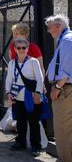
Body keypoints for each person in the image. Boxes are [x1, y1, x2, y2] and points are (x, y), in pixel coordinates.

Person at [5, 38, 44, 156]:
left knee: (33, 122)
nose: (21, 50)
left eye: (24, 48)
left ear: (27, 49)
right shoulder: (12, 63)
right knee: (20, 122)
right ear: (15, 49)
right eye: (18, 48)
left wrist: (38, 93)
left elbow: (40, 78)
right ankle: (20, 142)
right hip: (17, 97)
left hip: (30, 96)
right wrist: (8, 92)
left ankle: (36, 146)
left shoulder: (33, 61)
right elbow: (9, 79)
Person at [45, 14, 72, 162]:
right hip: (65, 88)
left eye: (49, 28)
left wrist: (56, 87)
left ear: (58, 26)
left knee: (62, 129)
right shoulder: (65, 40)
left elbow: (67, 69)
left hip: (65, 90)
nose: (49, 31)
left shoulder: (67, 40)